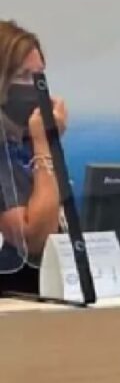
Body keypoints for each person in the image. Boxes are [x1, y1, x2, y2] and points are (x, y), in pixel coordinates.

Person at [0, 20, 68, 295]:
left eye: (40, 76)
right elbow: (34, 240)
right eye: (25, 76)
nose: (37, 88)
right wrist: (45, 144)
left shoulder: (25, 141)